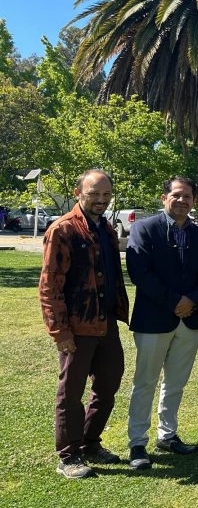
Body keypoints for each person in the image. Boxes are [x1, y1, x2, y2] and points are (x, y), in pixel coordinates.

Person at [39, 170, 129, 478]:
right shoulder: (62, 230)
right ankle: (68, 455)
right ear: (79, 192)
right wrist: (60, 331)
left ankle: (90, 442)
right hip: (76, 327)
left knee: (109, 384)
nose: (101, 200)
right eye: (94, 194)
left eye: (106, 195)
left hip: (106, 325)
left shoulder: (106, 228)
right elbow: (49, 286)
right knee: (71, 392)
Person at [125, 176, 198, 470]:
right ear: (164, 197)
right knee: (145, 382)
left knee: (175, 383)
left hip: (189, 322)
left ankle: (168, 435)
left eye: (187, 197)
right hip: (153, 319)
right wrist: (173, 301)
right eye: (176, 195)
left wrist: (192, 300)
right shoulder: (144, 229)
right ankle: (137, 442)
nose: (182, 201)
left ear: (193, 201)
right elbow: (139, 271)